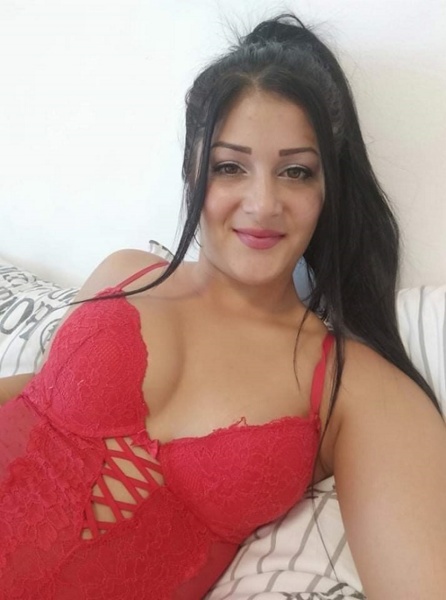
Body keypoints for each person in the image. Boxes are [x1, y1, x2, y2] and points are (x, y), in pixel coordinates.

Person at [1, 13, 445, 600]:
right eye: (230, 166)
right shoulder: (124, 273)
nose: (262, 204)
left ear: (328, 189)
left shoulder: (356, 389)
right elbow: (42, 397)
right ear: (192, 170)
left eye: (295, 172)